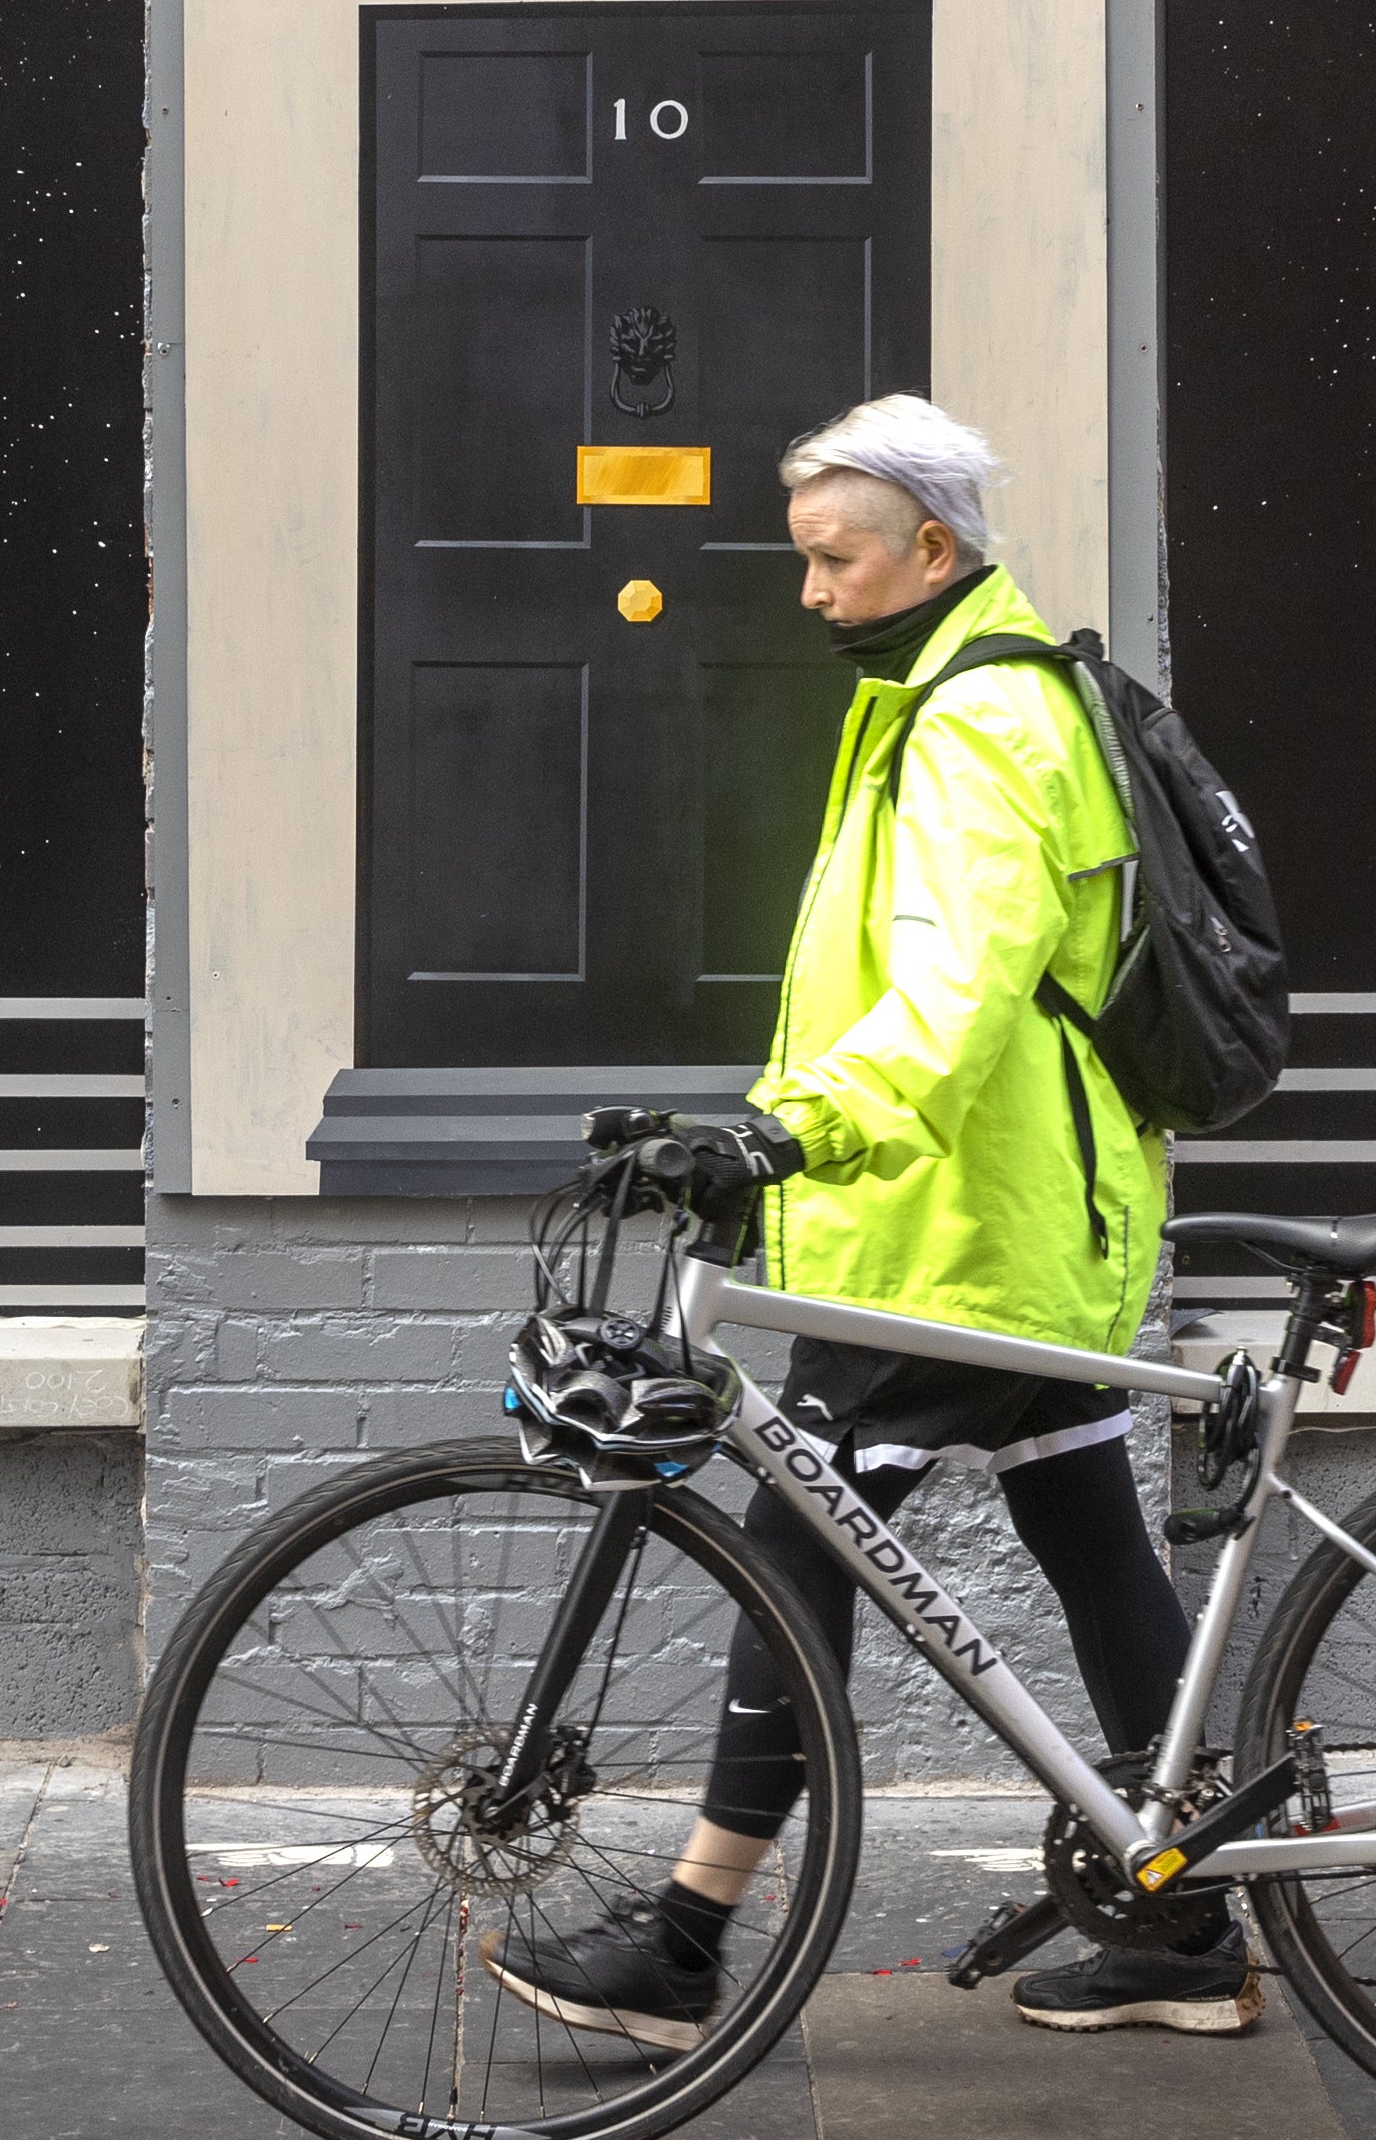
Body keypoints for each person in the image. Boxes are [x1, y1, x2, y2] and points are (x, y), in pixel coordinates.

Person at [485, 395, 1255, 2046]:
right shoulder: (958, 692)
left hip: (959, 1232)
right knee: (1086, 1528)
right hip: (999, 1218)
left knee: (797, 1543)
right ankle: (1183, 1922)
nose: (813, 595)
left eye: (837, 561)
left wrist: (792, 1135)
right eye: (806, 561)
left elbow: (961, 993)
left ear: (933, 545)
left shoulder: (983, 721)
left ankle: (689, 1934)